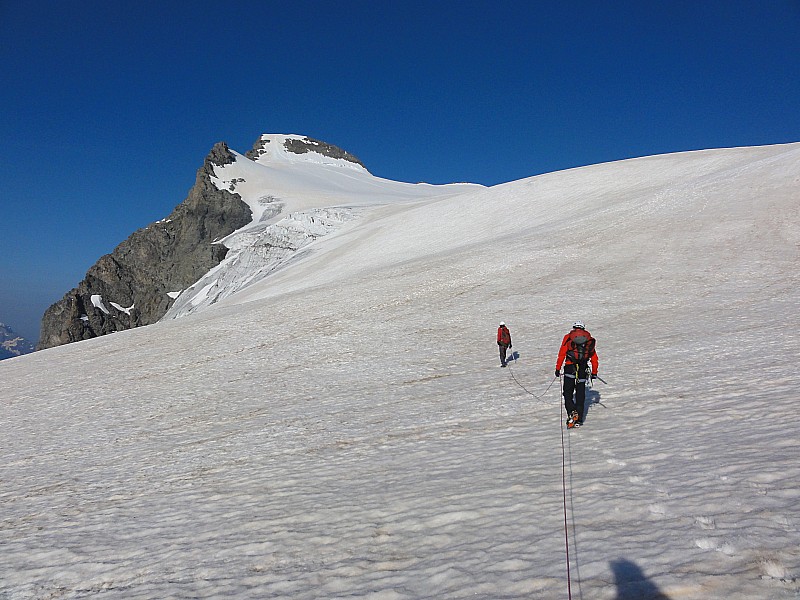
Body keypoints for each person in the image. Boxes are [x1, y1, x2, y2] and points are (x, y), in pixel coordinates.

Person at [555, 321, 598, 427]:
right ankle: (579, 419)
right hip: (583, 368)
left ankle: (571, 412)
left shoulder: (568, 337)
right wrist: (594, 372)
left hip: (570, 367)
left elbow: (562, 353)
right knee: (580, 394)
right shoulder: (588, 339)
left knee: (567, 393)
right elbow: (594, 357)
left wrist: (558, 368)